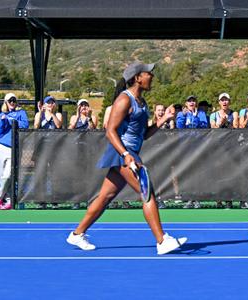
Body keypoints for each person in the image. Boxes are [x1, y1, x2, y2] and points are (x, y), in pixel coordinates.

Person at [66, 61, 187, 254]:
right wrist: (126, 156)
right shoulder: (124, 100)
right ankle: (162, 240)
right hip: (123, 153)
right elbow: (110, 131)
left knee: (106, 196)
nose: (152, 76)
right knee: (147, 192)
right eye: (148, 73)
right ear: (137, 78)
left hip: (129, 153)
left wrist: (163, 120)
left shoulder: (142, 102)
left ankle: (77, 234)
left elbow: (144, 134)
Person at [0, 93, 29, 209]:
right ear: (6, 102)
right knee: (1, 177)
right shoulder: (2, 114)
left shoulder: (21, 113)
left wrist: (11, 120)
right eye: (10, 101)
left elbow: (25, 125)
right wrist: (3, 121)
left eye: (14, 100)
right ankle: (8, 200)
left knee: (8, 175)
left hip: (13, 148)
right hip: (1, 148)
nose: (12, 103)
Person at [210, 92, 238, 209]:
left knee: (230, 173)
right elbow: (213, 127)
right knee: (218, 173)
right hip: (217, 148)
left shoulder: (234, 113)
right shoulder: (213, 115)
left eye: (226, 100)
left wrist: (227, 122)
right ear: (219, 102)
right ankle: (218, 199)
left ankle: (229, 199)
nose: (224, 102)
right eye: (222, 100)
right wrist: (220, 123)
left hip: (231, 148)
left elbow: (236, 127)